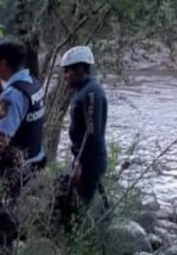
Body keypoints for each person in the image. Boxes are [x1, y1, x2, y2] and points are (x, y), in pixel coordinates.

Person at [0, 39, 46, 248]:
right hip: (35, 158)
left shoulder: (12, 94)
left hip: (17, 164)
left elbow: (2, 138)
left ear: (4, 64)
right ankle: (20, 240)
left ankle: (9, 247)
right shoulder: (33, 83)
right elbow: (23, 116)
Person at [59, 45, 107, 225]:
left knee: (79, 209)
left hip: (89, 161)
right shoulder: (83, 90)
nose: (65, 76)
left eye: (67, 72)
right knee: (73, 203)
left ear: (80, 69)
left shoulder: (91, 92)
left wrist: (80, 163)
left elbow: (92, 133)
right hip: (84, 158)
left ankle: (81, 243)